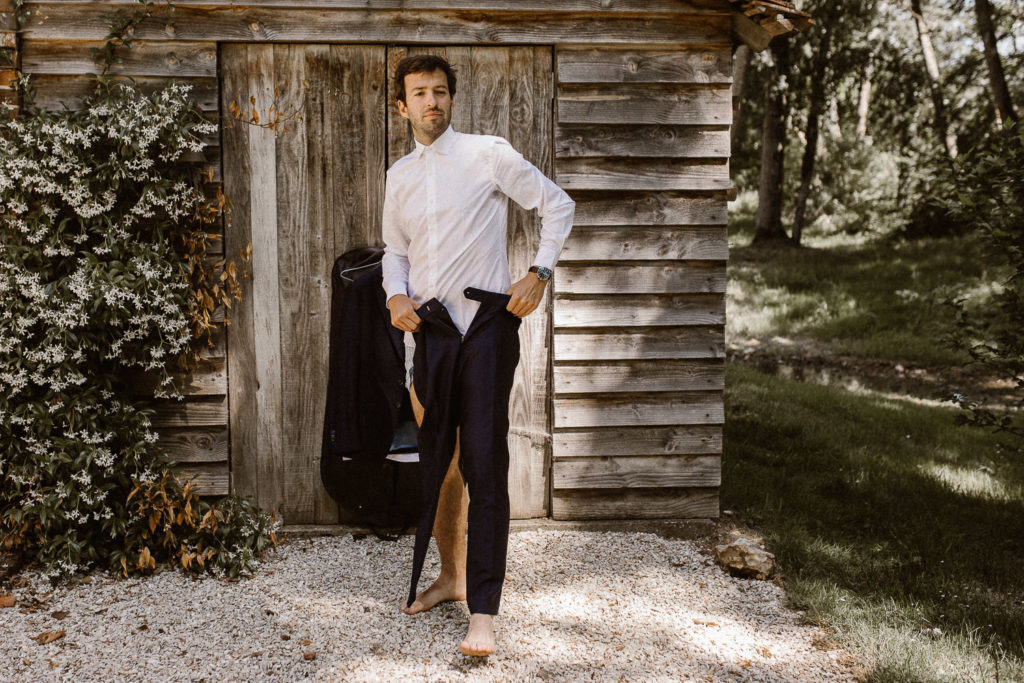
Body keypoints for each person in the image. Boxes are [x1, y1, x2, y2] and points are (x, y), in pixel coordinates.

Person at [380, 54, 574, 657]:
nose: (431, 101)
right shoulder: (399, 176)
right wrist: (392, 295)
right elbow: (395, 251)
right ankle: (451, 577)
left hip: (487, 327)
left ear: (451, 101)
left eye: (440, 92)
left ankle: (483, 614)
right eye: (419, 93)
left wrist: (538, 272)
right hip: (429, 336)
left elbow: (557, 205)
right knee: (438, 462)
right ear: (402, 105)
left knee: (485, 466)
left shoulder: (487, 153)